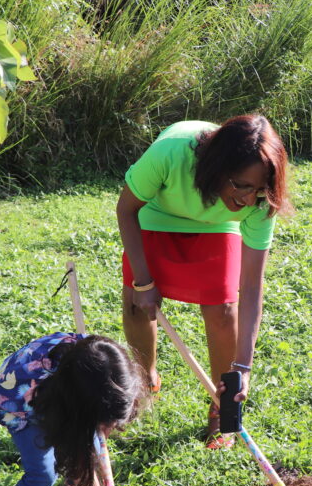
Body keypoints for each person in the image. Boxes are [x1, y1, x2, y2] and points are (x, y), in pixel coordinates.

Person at [117, 115, 291, 449]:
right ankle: (146, 378)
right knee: (137, 305)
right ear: (218, 168)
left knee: (224, 308)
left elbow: (251, 287)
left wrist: (244, 369)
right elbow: (126, 209)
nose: (248, 199)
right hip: (156, 214)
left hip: (218, 224)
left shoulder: (258, 201)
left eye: (258, 190)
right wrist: (143, 281)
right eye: (241, 185)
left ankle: (222, 408)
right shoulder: (170, 152)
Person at [0, 332, 149, 486]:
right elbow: (77, 455)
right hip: (22, 403)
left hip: (73, 397)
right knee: (42, 475)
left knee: (88, 452)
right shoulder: (54, 388)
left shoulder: (102, 365)